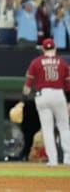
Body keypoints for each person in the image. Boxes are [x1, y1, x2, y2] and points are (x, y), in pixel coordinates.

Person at [23, 38, 70, 167]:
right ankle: (68, 158)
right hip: (58, 94)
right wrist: (69, 102)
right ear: (54, 49)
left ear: (43, 50)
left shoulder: (36, 62)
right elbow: (68, 85)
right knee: (64, 127)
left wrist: (22, 101)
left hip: (42, 95)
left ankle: (53, 160)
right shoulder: (62, 63)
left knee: (47, 129)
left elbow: (27, 87)